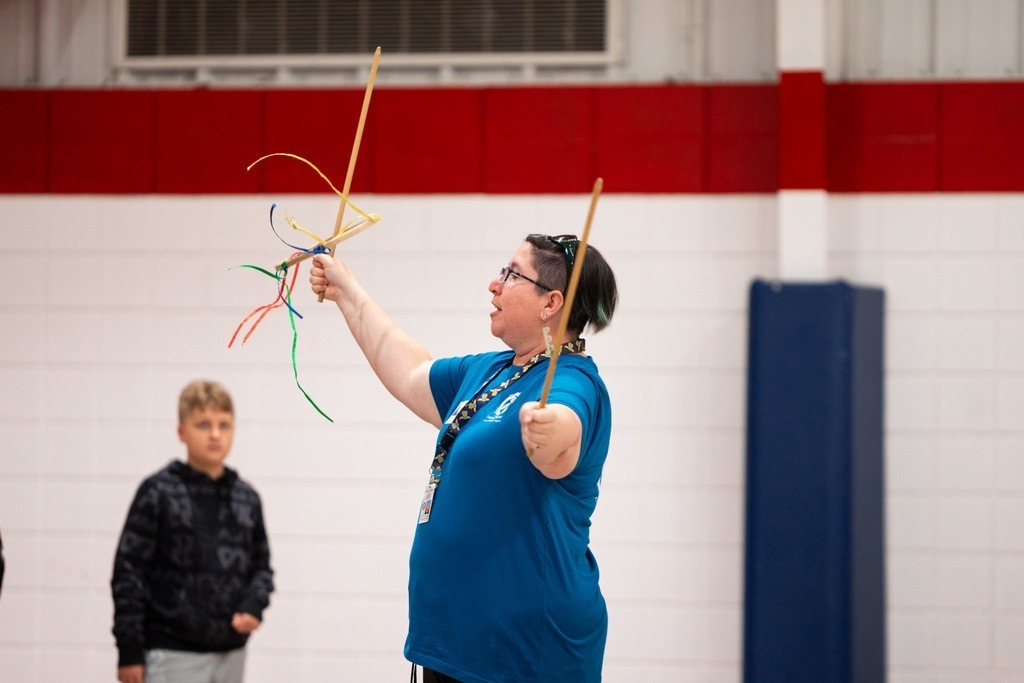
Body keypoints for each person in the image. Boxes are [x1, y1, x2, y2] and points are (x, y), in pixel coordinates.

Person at [309, 233, 618, 682]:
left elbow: (562, 438)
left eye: (511, 274)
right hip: (454, 644)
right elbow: (410, 371)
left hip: (525, 654)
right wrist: (345, 290)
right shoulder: (489, 371)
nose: (494, 284)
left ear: (550, 303)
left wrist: (549, 428)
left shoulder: (573, 380)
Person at [110, 380, 274, 683]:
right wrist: (129, 649)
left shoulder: (247, 498)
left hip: (231, 654)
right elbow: (128, 573)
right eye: (203, 424)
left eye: (224, 425)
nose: (215, 434)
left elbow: (261, 567)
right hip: (171, 654)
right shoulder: (158, 491)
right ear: (182, 432)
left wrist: (253, 605)